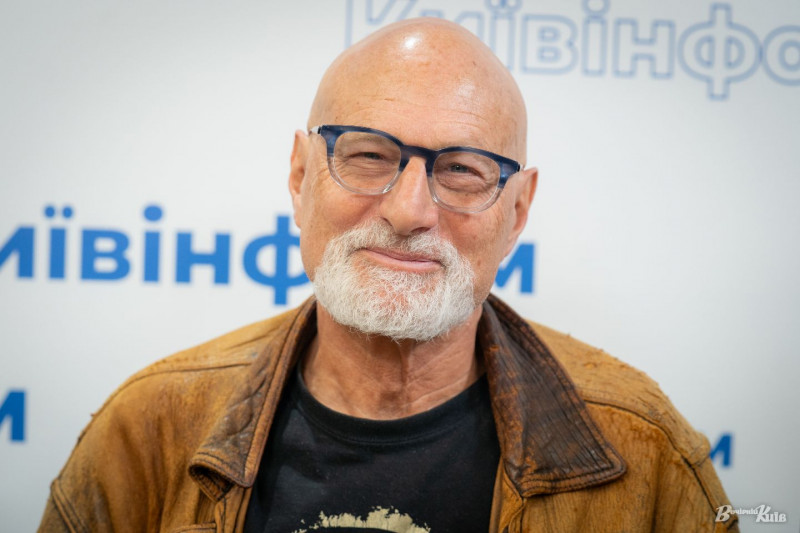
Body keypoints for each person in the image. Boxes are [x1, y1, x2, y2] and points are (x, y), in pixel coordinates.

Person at [38, 18, 737, 533]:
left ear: (517, 211)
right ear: (300, 176)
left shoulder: (646, 455)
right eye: (369, 155)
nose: (409, 211)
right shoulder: (147, 430)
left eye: (461, 170)